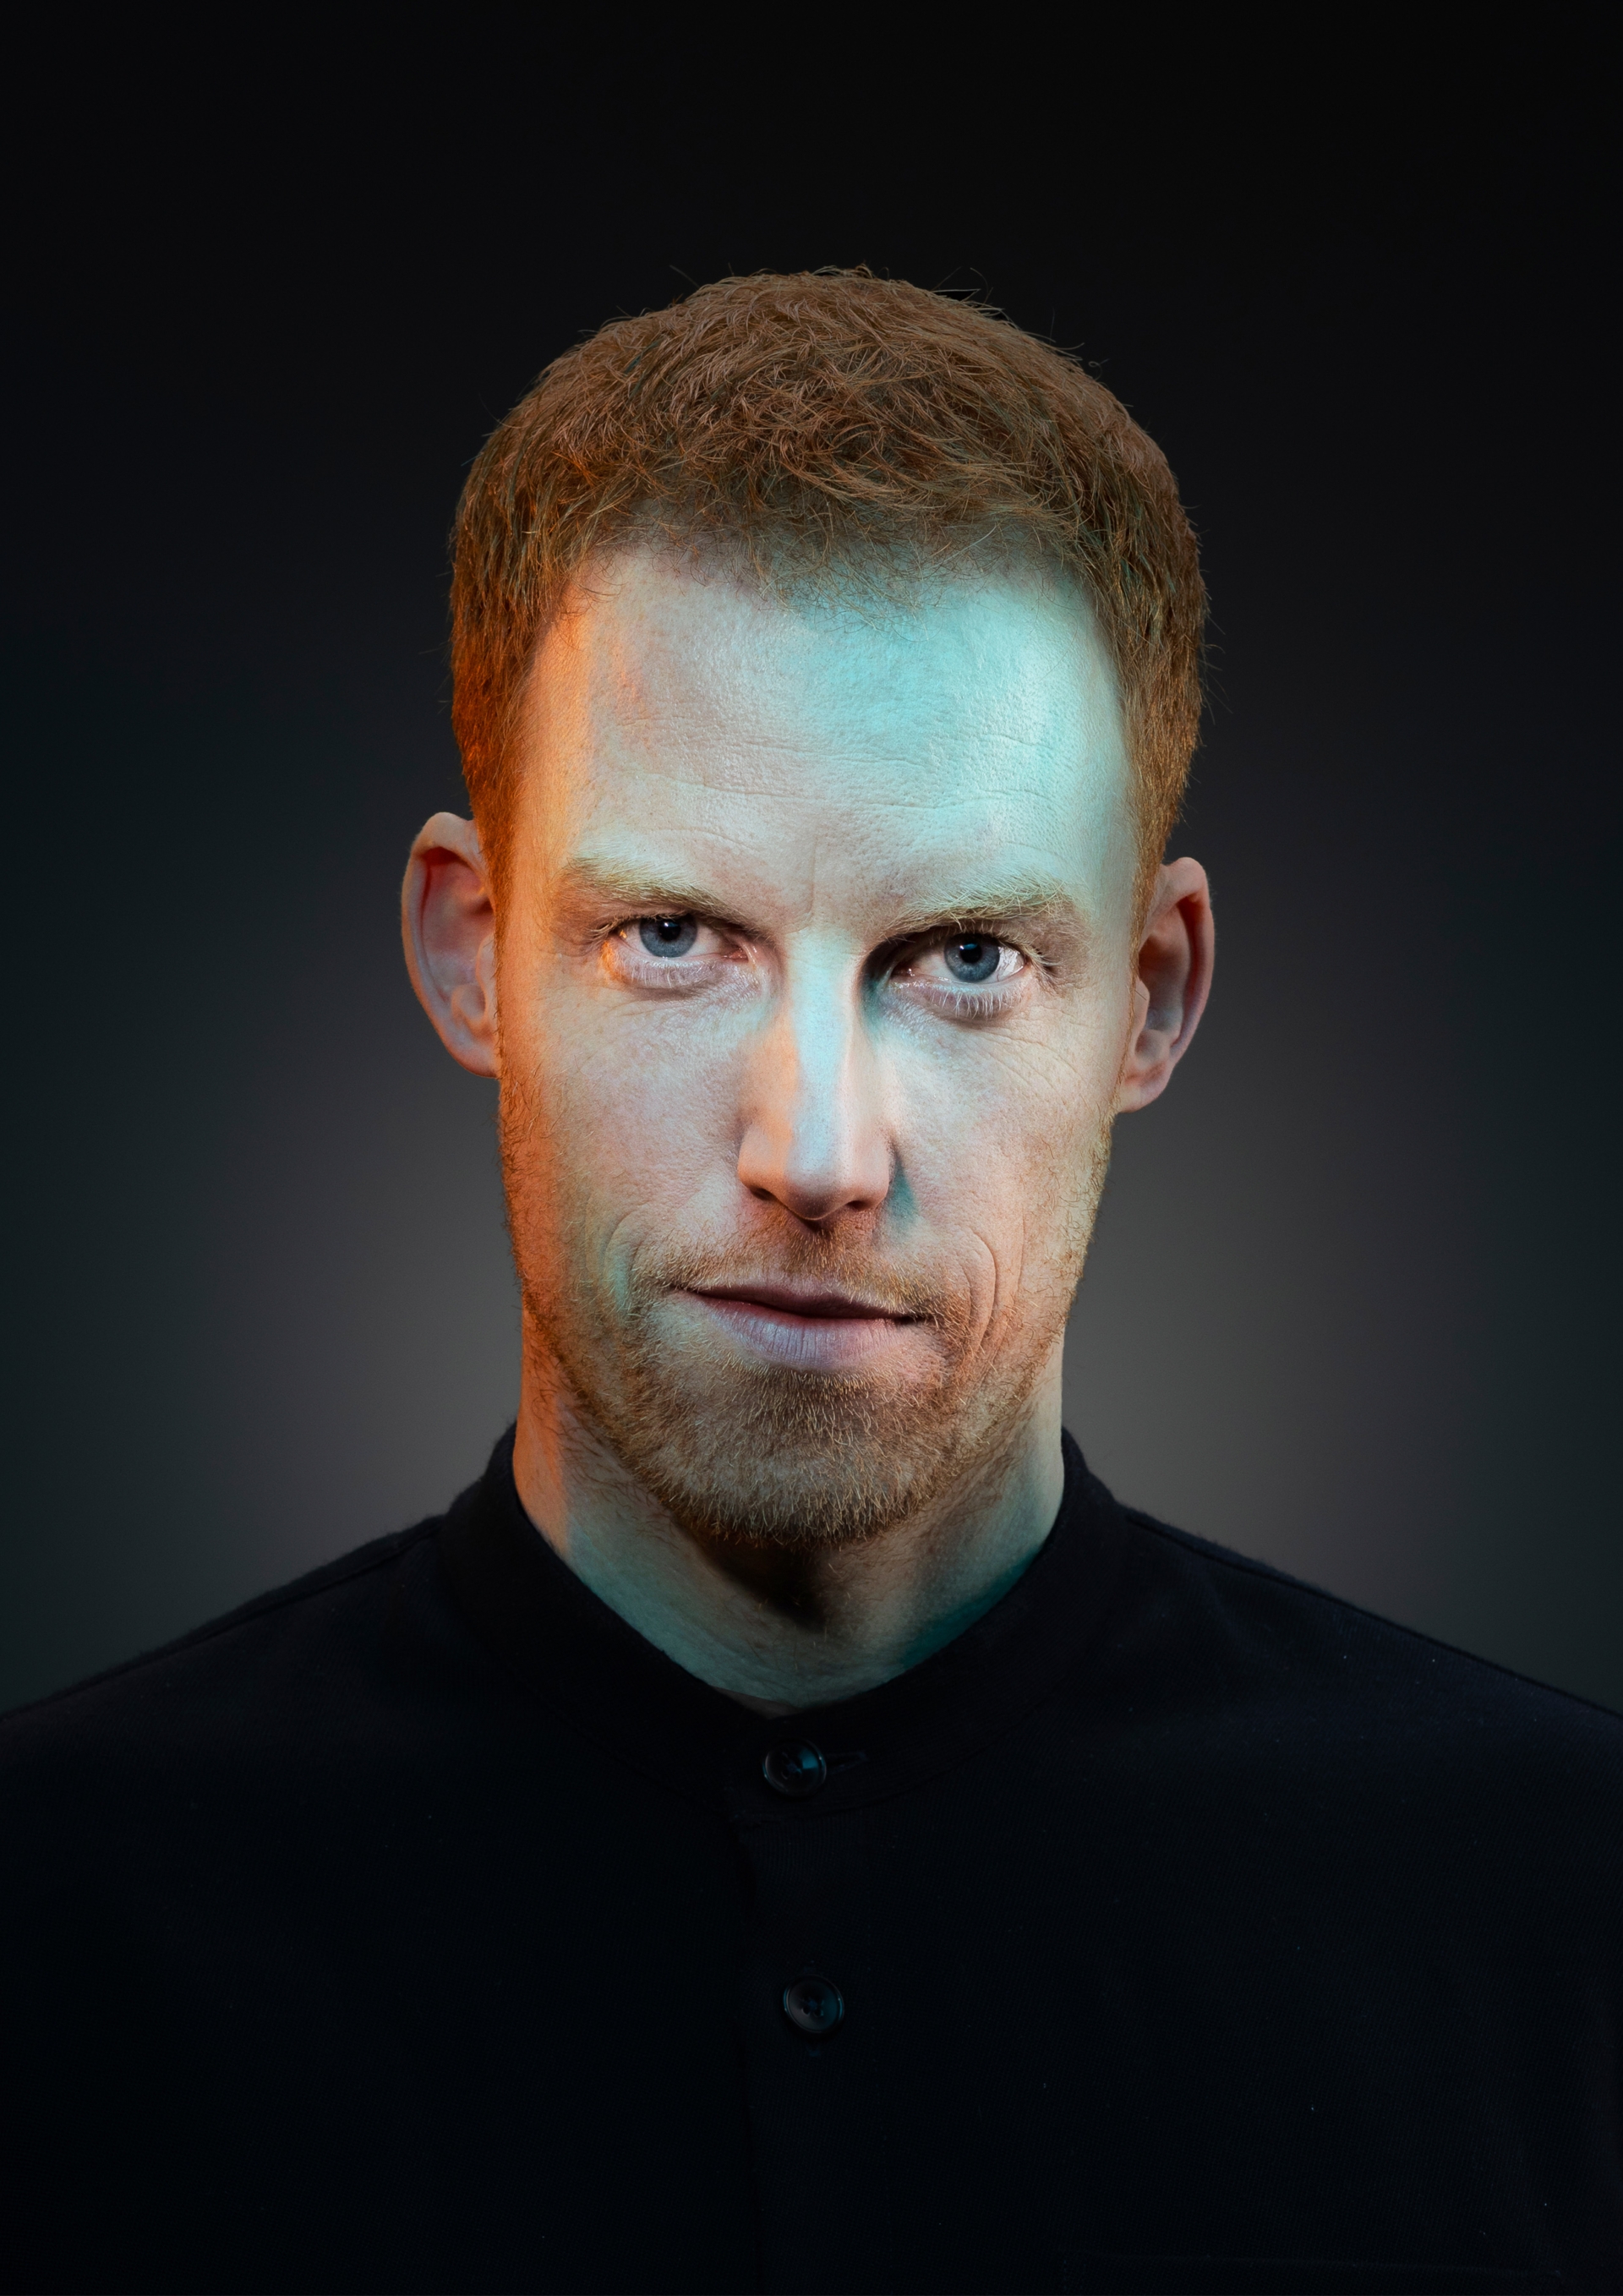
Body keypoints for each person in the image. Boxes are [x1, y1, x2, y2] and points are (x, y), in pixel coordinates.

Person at [1, 271, 1617, 2296]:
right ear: (468, 951)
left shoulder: (1566, 1912)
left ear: (1153, 992)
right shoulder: (50, 1915)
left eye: (963, 957)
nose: (820, 1151)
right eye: (675, 936)